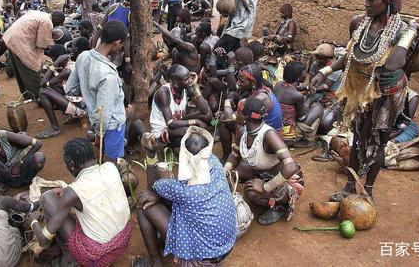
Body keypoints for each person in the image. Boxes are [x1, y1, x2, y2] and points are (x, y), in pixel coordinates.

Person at [309, 0, 419, 201]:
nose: (367, 4)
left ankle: (368, 190)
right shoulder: (361, 24)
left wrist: (409, 34)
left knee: (378, 142)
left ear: (388, 1)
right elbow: (351, 55)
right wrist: (325, 72)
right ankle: (350, 185)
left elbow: (392, 64)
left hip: (386, 95)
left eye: (372, 0)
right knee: (357, 137)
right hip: (360, 91)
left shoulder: (401, 31)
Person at [136, 127, 237, 267]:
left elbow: (152, 187)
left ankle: (156, 263)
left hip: (201, 259)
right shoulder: (215, 163)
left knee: (143, 205)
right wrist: (160, 195)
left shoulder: (183, 191)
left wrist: (151, 154)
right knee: (166, 200)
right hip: (224, 247)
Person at [30, 138, 131, 266]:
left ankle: (70, 256)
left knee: (47, 198)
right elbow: (96, 187)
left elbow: (43, 240)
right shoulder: (110, 167)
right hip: (123, 241)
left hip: (96, 257)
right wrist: (68, 191)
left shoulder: (74, 191)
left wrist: (33, 221)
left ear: (71, 164)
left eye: (66, 163)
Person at [224, 97, 303, 225]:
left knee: (251, 193)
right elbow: (234, 155)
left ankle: (280, 205)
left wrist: (266, 187)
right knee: (234, 174)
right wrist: (225, 171)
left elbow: (292, 166)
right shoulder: (242, 132)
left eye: (238, 112)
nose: (235, 114)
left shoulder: (269, 135)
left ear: (246, 117)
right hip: (262, 172)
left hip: (285, 180)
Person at [65, 20, 128, 161]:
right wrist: (99, 135)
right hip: (112, 125)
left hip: (94, 119)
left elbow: (70, 89)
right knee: (111, 163)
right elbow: (104, 116)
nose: (120, 48)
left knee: (103, 153)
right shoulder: (108, 75)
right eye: (121, 45)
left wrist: (89, 99)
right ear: (116, 43)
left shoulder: (83, 56)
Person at [142, 64, 212, 150]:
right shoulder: (164, 93)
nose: (190, 80)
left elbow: (205, 110)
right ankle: (170, 146)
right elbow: (170, 123)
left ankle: (181, 144)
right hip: (163, 130)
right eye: (186, 79)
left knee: (207, 115)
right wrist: (195, 121)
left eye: (189, 76)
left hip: (178, 122)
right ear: (175, 82)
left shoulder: (186, 87)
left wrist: (195, 86)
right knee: (190, 131)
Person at [2, 10, 54, 99]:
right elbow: (41, 44)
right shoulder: (47, 22)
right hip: (20, 42)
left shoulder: (40, 14)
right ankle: (39, 96)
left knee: (19, 69)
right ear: (55, 19)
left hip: (11, 38)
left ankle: (26, 94)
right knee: (30, 68)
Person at [273, 61, 323, 148]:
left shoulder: (277, 85)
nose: (306, 75)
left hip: (273, 132)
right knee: (318, 108)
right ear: (298, 78)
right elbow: (302, 118)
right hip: (286, 135)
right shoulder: (297, 96)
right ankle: (304, 139)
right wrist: (310, 97)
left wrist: (305, 88)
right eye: (304, 73)